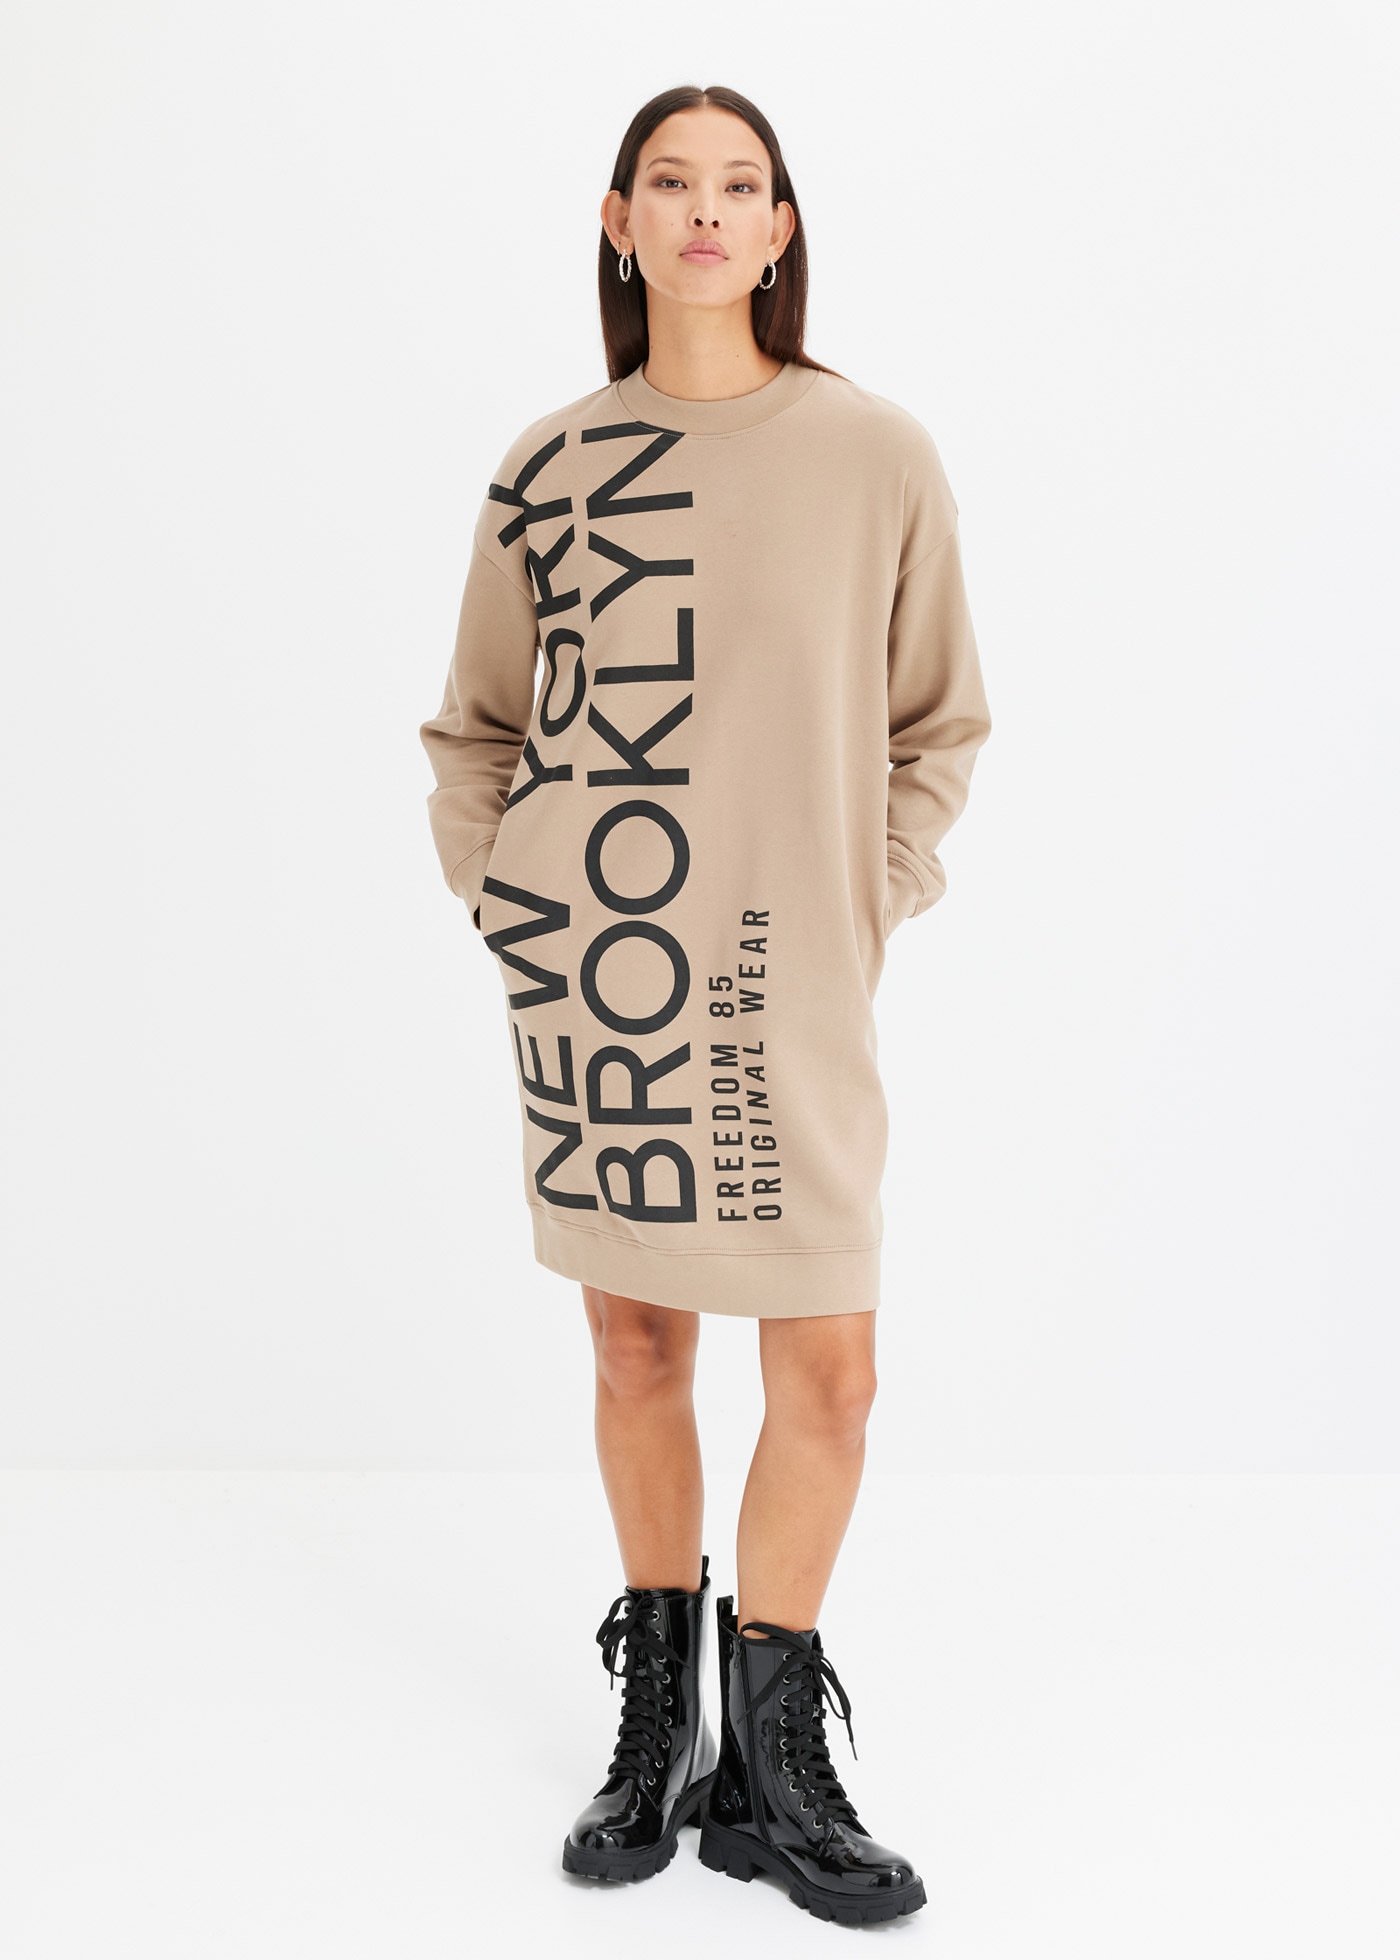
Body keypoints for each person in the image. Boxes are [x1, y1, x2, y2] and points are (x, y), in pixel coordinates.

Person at [418, 83, 992, 1926]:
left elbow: (939, 723)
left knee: (833, 1370)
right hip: (609, 977)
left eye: (742, 185)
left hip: (789, 981)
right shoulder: (553, 464)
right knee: (636, 1349)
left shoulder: (875, 452)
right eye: (671, 183)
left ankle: (776, 1759)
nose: (707, 212)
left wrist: (869, 892)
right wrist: (514, 901)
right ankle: (660, 1727)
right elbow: (476, 728)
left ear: (781, 227)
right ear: (619, 222)